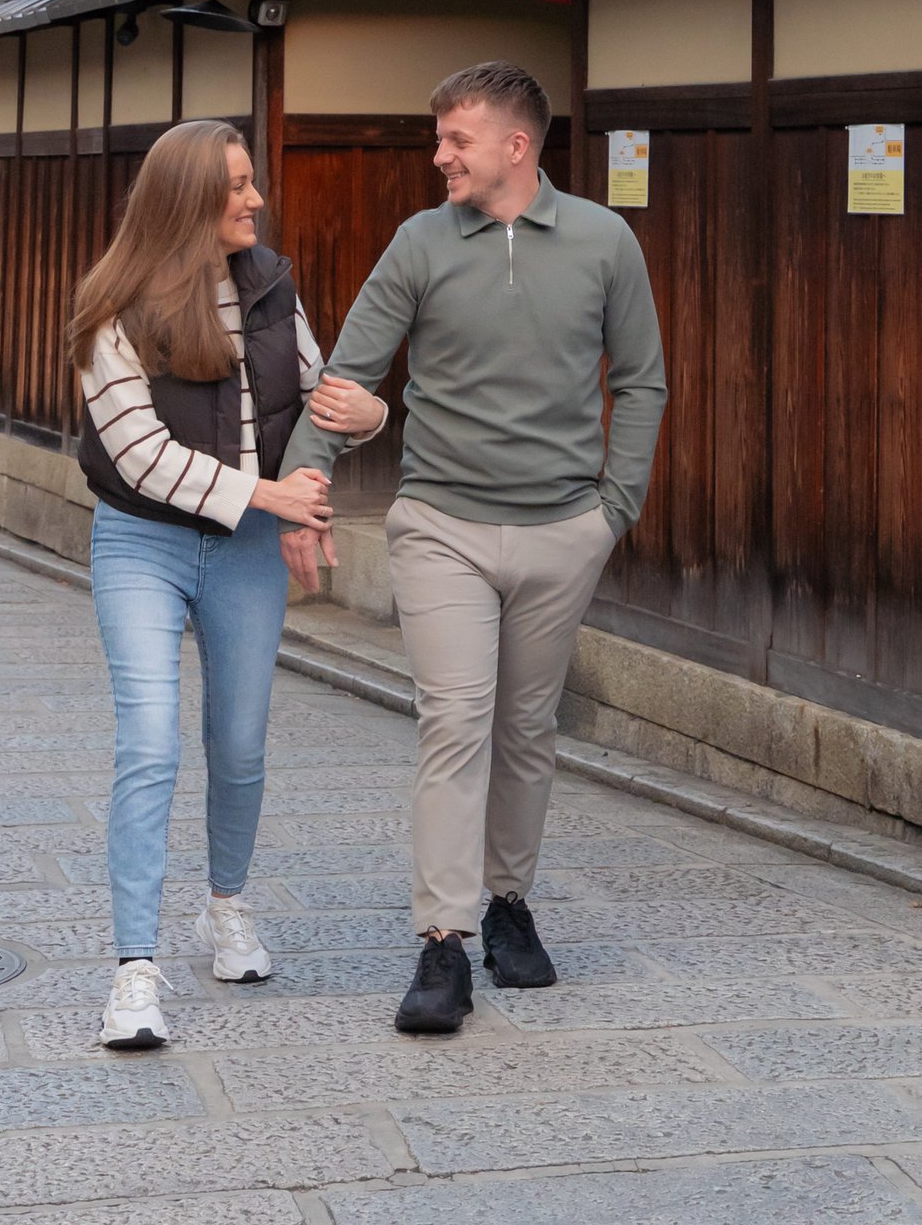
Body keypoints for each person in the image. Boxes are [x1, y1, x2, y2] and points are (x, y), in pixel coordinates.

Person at [281, 58, 666, 1035]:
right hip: (441, 526)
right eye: (439, 138)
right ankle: (443, 940)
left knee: (527, 728)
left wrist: (613, 510)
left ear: (515, 145)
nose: (440, 156)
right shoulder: (420, 242)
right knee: (455, 718)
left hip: (563, 531)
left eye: (457, 139)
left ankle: (508, 904)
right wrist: (303, 493)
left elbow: (642, 381)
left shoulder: (604, 241)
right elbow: (346, 377)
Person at [70, 117, 375, 1052]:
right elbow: (139, 454)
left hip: (244, 549)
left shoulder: (270, 287)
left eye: (251, 182)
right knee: (150, 743)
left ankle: (226, 907)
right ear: (189, 199)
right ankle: (133, 970)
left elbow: (316, 398)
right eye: (237, 186)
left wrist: (365, 415)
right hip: (141, 543)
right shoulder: (114, 307)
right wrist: (270, 495)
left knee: (239, 743)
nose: (256, 200)